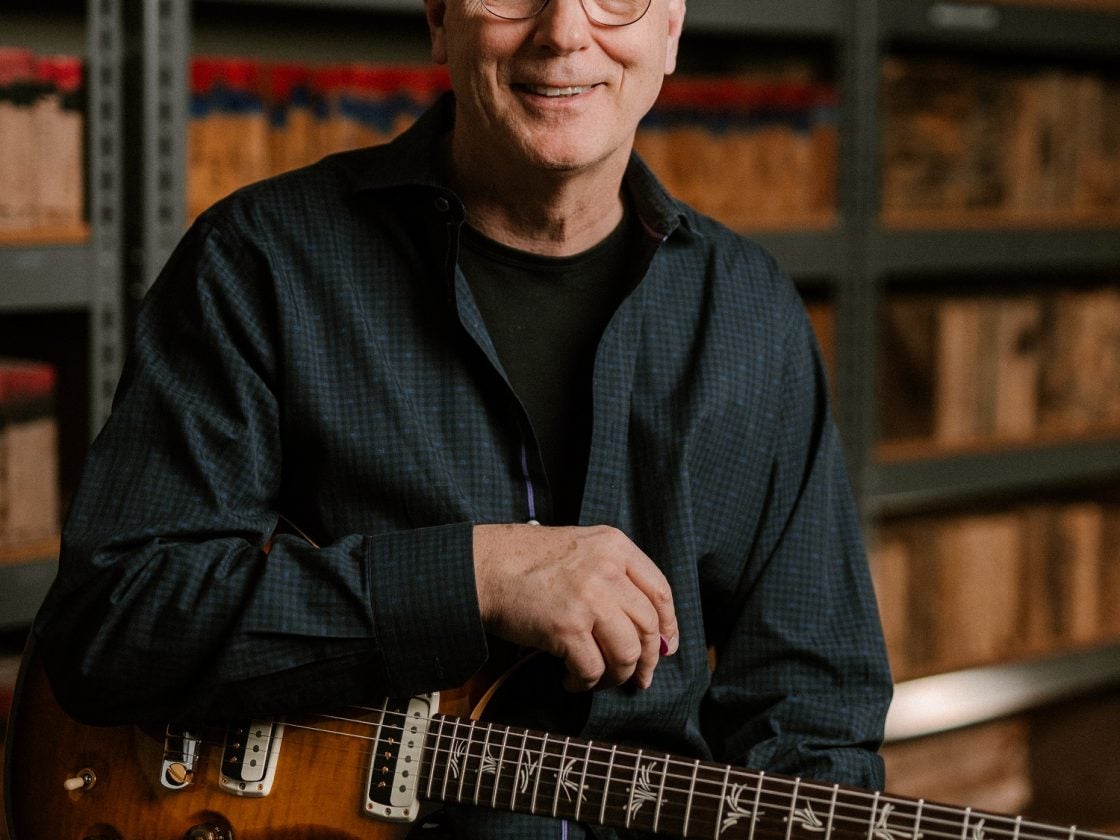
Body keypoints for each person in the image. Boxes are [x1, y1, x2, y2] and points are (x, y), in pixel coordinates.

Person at [33, 0, 893, 835]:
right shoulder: (259, 260)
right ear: (440, 19)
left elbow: (813, 716)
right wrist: (475, 576)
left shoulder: (751, 314)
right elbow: (112, 626)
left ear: (670, 29)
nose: (564, 31)